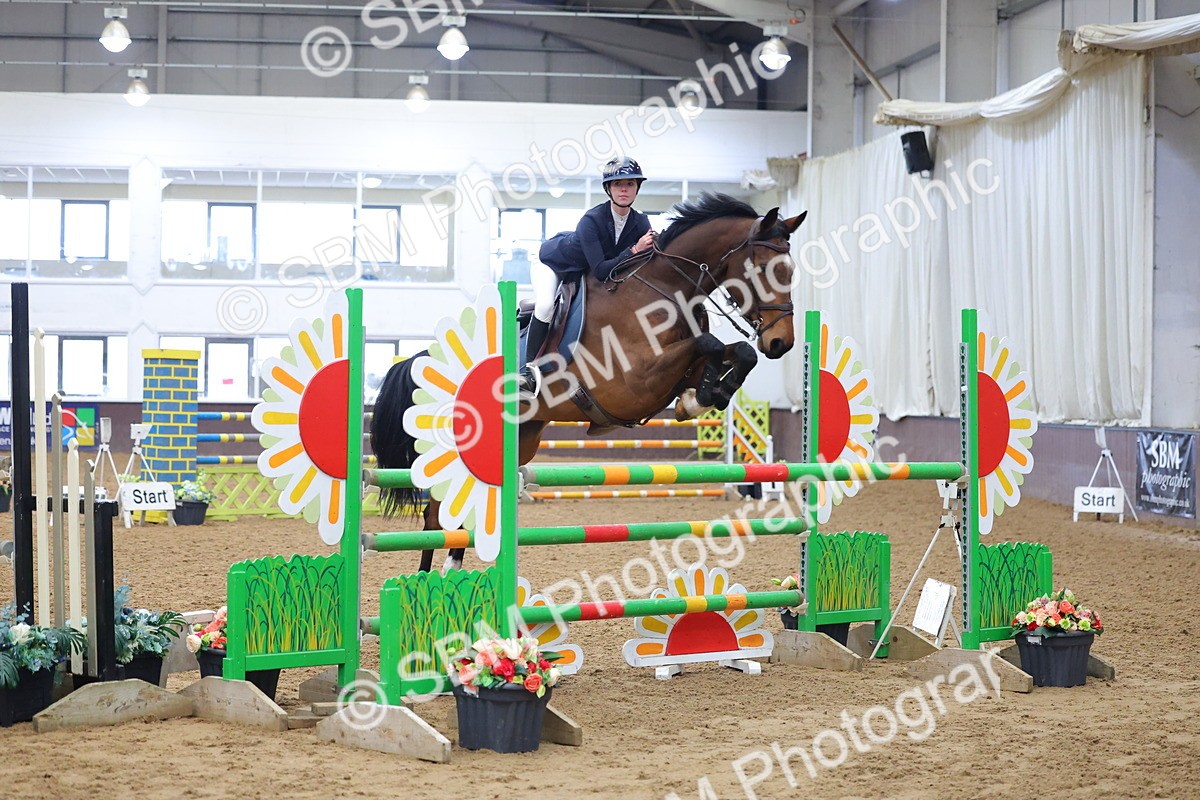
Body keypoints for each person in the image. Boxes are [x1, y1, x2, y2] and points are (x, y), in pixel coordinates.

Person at [521, 157, 656, 393]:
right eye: (618, 184)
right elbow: (603, 271)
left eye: (630, 184)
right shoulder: (591, 220)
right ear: (608, 189)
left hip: (585, 272)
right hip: (554, 264)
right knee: (544, 306)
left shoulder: (641, 222)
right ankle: (527, 371)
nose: (624, 189)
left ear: (637, 188)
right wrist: (634, 250)